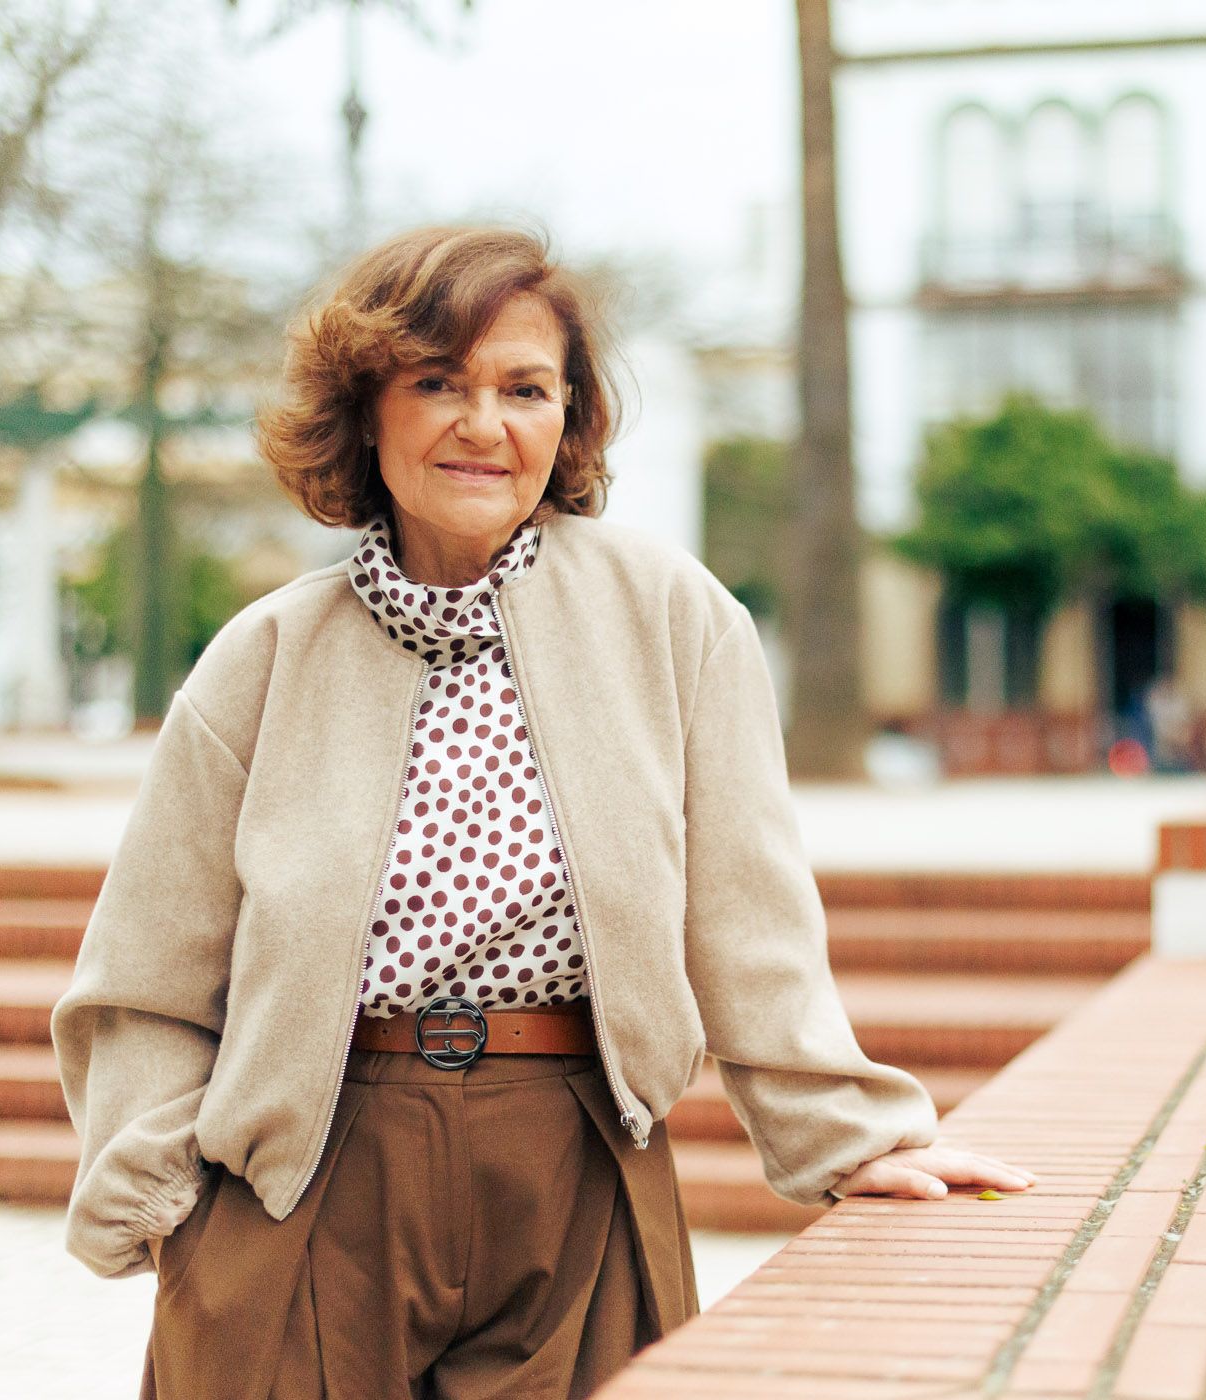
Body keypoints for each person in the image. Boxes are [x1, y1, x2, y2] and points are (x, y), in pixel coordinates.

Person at [50, 222, 1038, 1400]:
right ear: (368, 411)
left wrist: (853, 1136)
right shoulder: (261, 659)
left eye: (525, 388)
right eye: (438, 383)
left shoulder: (673, 617)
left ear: (568, 419)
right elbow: (149, 969)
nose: (485, 424)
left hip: (577, 1174)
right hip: (307, 1183)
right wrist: (175, 1211)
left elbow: (748, 919)